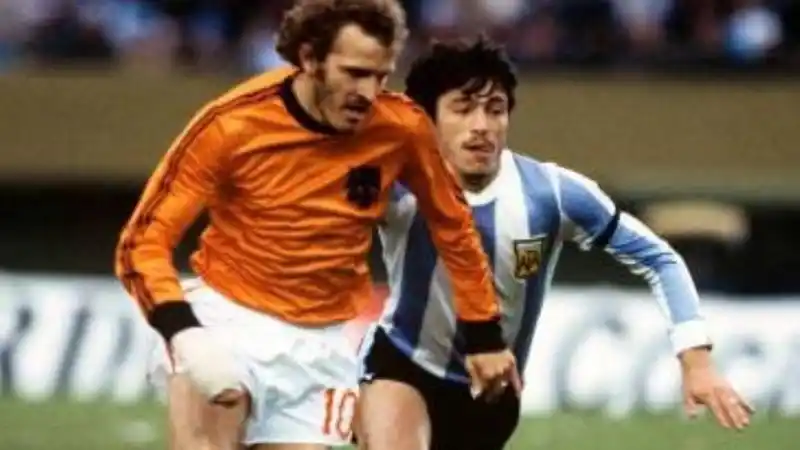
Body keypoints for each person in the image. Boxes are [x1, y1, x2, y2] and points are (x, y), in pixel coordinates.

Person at [113, 1, 519, 448]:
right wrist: (186, 334)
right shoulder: (231, 124)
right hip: (227, 320)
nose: (368, 93)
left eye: (381, 76)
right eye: (354, 73)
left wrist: (483, 334)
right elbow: (142, 243)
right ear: (309, 58)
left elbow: (453, 226)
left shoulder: (401, 128)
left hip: (321, 345)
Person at [356, 35, 755, 450]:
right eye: (463, 108)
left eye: (495, 109)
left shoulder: (552, 193)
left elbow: (660, 259)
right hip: (400, 364)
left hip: (491, 395)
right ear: (427, 118)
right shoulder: (394, 183)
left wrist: (696, 359)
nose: (482, 125)